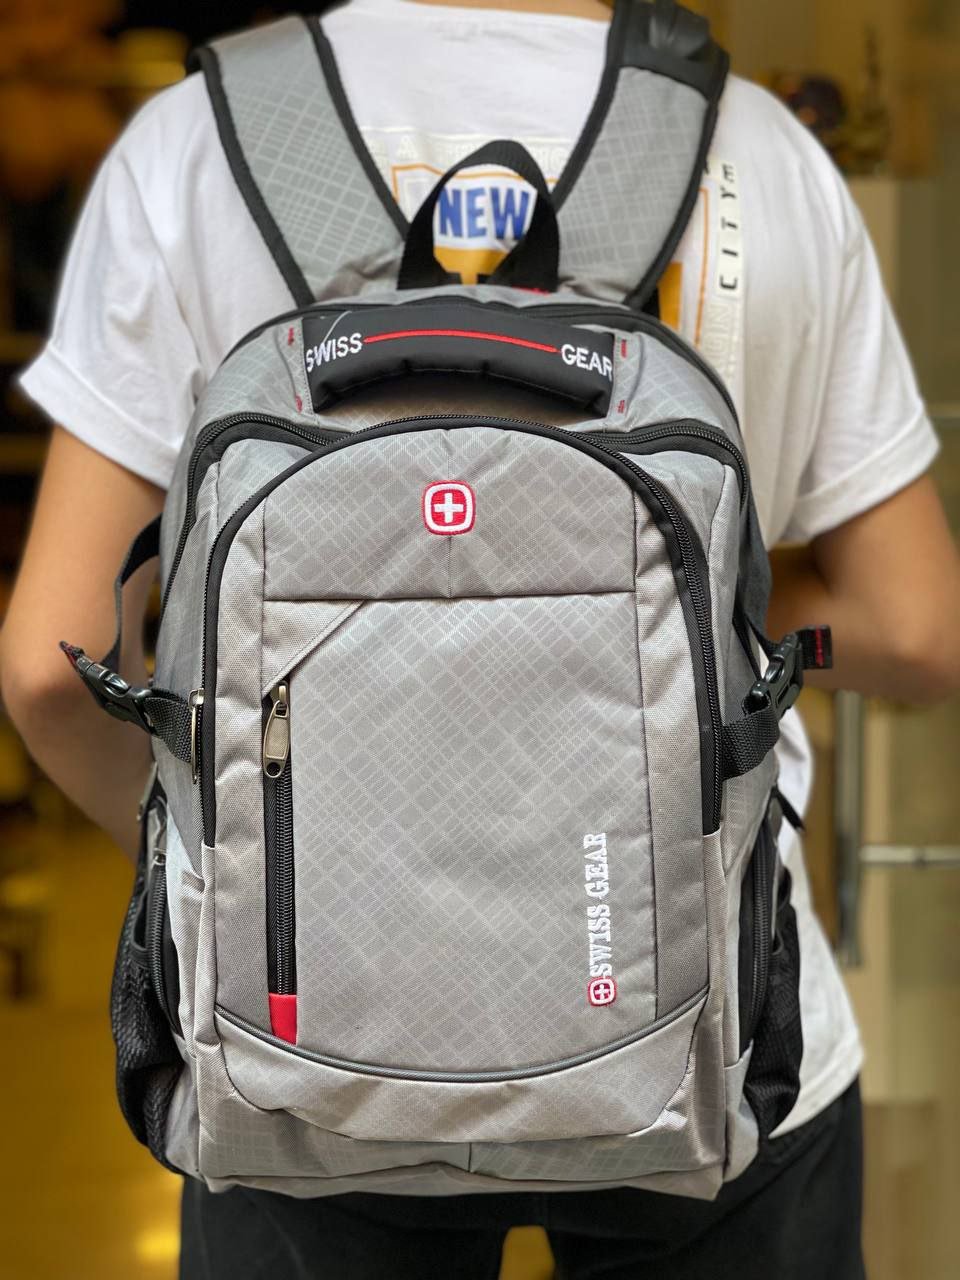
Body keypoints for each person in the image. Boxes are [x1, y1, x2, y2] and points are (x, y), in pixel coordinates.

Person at [3, 1, 959, 1276]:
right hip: (707, 1038)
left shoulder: (195, 149)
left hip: (297, 1052)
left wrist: (236, 869)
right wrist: (693, 618)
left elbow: (53, 661)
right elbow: (914, 627)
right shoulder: (760, 150)